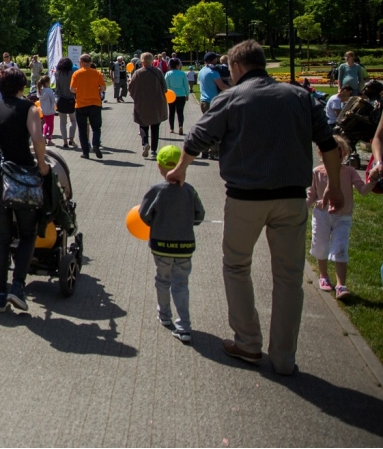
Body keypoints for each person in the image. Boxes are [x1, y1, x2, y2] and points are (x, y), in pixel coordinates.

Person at [166, 40, 343, 376]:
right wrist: (334, 186)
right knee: (289, 277)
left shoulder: (231, 98)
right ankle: (283, 356)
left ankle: (247, 342)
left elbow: (197, 137)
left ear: (236, 67)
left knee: (236, 266)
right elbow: (329, 144)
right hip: (291, 196)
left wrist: (181, 169)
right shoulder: (299, 97)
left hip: (245, 197)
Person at [0, 65, 51, 312]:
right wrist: (42, 164)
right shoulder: (29, 108)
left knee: (2, 236)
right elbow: (38, 140)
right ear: (21, 87)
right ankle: (18, 286)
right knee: (27, 233)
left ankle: (0, 294)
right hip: (23, 175)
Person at [140, 145, 206, 344]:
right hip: (184, 247)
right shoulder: (189, 191)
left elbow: (144, 215)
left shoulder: (156, 190)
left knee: (162, 279)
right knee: (181, 284)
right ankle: (184, 325)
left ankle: (164, 315)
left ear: (159, 166)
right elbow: (200, 216)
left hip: (161, 245)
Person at [307, 135, 373, 301]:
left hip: (342, 217)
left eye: (340, 152)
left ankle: (341, 285)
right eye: (331, 152)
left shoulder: (349, 172)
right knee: (320, 245)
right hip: (322, 215)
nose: (337, 156)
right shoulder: (317, 172)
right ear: (322, 154)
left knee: (340, 247)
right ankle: (323, 276)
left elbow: (363, 190)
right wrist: (300, 208)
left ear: (344, 153)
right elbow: (311, 195)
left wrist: (373, 180)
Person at [130, 52, 169, 159]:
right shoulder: (158, 71)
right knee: (155, 127)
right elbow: (165, 88)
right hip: (156, 103)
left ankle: (145, 143)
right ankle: (153, 151)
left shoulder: (137, 73)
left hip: (142, 103)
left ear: (141, 61)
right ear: (152, 60)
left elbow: (131, 88)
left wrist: (136, 98)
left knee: (143, 125)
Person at [71, 54, 105, 159]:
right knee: (96, 127)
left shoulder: (76, 74)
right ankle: (95, 145)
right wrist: (96, 91)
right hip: (95, 103)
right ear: (90, 62)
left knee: (82, 129)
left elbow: (72, 89)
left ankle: (85, 152)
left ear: (81, 63)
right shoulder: (97, 73)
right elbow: (103, 87)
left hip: (81, 104)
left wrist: (80, 91)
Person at [198, 52, 230, 159]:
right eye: (216, 58)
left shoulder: (202, 71)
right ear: (213, 60)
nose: (217, 60)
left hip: (203, 101)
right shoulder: (213, 72)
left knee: (207, 128)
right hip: (213, 102)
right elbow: (222, 86)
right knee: (216, 129)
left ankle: (204, 151)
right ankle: (214, 152)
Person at [54, 57, 78, 148]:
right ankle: (71, 139)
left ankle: (64, 141)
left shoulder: (57, 74)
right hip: (71, 99)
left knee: (62, 122)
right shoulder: (73, 74)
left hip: (61, 99)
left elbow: (57, 88)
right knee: (73, 120)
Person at [165, 58, 189, 135]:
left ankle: (171, 128)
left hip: (171, 95)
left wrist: (166, 95)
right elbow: (186, 85)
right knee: (180, 111)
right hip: (181, 95)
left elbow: (166, 86)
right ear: (178, 65)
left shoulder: (168, 74)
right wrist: (187, 94)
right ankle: (180, 125)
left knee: (171, 112)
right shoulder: (182, 74)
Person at [37, 75, 56, 146]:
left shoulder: (40, 91)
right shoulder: (49, 91)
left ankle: (44, 135)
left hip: (44, 110)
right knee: (51, 124)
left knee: (46, 123)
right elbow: (53, 100)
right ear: (47, 83)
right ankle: (49, 139)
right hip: (50, 110)